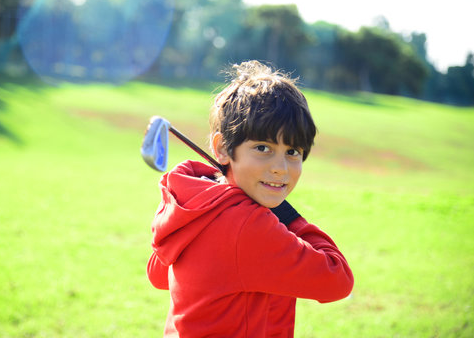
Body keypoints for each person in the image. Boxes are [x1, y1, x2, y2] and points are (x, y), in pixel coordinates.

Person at [147, 60, 354, 337]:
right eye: (262, 147)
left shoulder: (197, 204)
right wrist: (287, 214)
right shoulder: (249, 225)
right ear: (222, 149)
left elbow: (159, 275)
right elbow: (337, 279)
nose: (280, 167)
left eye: (293, 152)